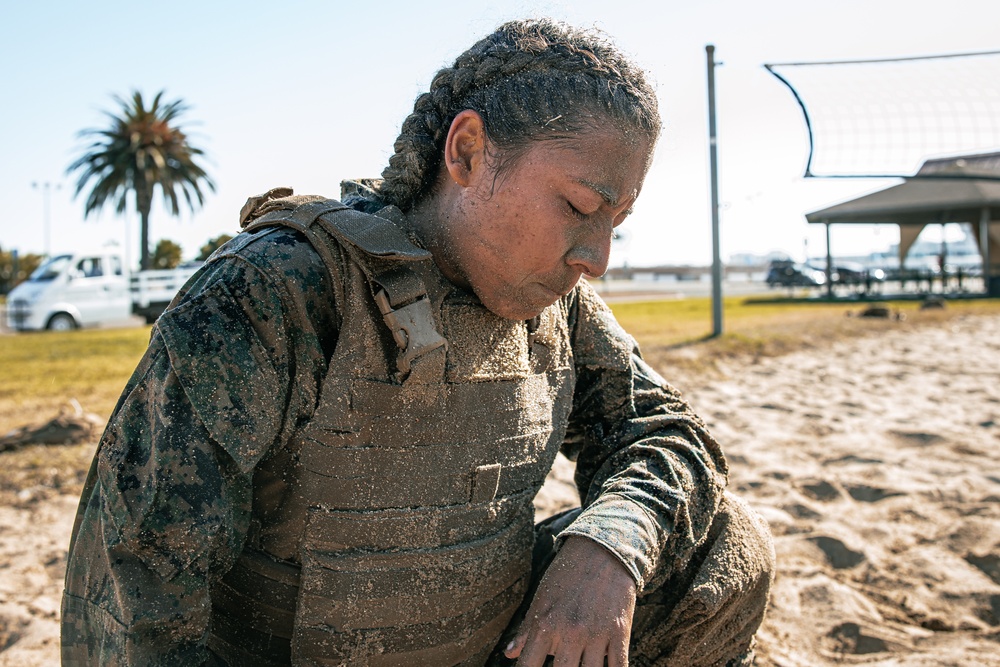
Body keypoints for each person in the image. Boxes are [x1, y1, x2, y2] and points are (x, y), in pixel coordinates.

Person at [61, 18, 774, 667]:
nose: (598, 254)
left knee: (723, 549)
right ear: (467, 152)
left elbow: (671, 432)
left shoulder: (556, 306)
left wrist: (609, 543)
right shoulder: (280, 289)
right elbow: (134, 584)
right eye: (580, 206)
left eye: (618, 218)